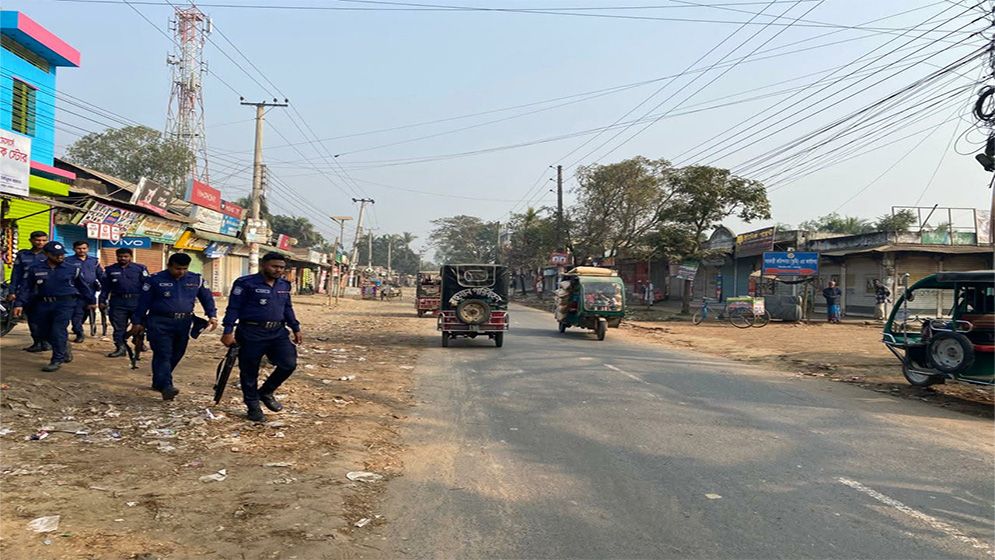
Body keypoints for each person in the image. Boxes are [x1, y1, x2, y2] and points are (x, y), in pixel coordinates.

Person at [221, 252, 302, 422]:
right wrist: (227, 331)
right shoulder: (245, 283)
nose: (278, 270)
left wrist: (295, 327)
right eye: (274, 266)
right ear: (263, 265)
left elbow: (287, 307)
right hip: (251, 332)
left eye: (281, 267)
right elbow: (233, 308)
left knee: (288, 364)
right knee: (249, 371)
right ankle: (252, 406)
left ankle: (265, 392)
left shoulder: (284, 285)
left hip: (278, 332)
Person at [131, 253, 217, 400]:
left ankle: (159, 381)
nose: (181, 272)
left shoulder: (196, 279)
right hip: (159, 322)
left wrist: (212, 315)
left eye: (184, 269)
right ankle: (167, 386)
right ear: (169, 265)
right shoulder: (154, 279)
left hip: (183, 323)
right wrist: (137, 322)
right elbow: (143, 302)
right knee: (163, 353)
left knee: (178, 353)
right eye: (177, 268)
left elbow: (206, 298)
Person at [12, 241, 96, 371]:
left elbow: (83, 286)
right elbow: (26, 288)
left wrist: (91, 301)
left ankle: (56, 359)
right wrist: (19, 304)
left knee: (58, 330)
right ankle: (63, 348)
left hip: (65, 304)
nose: (60, 257)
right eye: (56, 255)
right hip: (43, 303)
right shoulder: (35, 268)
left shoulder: (72, 268)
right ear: (46, 254)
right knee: (43, 332)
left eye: (62, 254)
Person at [101, 248, 149, 357]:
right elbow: (105, 287)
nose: (122, 258)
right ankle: (120, 347)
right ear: (117, 256)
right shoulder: (110, 270)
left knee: (139, 326)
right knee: (118, 327)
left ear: (130, 257)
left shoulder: (140, 268)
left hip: (136, 302)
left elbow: (147, 285)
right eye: (120, 256)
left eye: (125, 256)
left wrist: (147, 301)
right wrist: (102, 300)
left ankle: (138, 342)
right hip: (118, 302)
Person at [8, 231, 51, 352]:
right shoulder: (23, 255)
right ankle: (37, 342)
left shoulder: (50, 254)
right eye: (38, 240)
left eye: (43, 240)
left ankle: (46, 342)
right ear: (31, 240)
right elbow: (16, 274)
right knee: (32, 319)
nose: (41, 243)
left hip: (46, 291)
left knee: (46, 318)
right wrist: (12, 291)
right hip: (27, 292)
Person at [66, 240, 104, 343]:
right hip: (76, 292)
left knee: (87, 313)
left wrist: (104, 288)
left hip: (91, 292)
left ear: (88, 249)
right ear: (74, 249)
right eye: (79, 248)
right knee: (77, 314)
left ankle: (77, 327)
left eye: (84, 248)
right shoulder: (68, 261)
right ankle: (79, 333)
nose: (81, 250)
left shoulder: (94, 261)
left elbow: (100, 275)